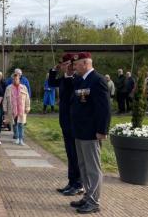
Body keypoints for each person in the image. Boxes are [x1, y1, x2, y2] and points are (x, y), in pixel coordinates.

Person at [69, 52, 111, 214]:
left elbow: (104, 108)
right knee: (84, 166)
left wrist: (102, 130)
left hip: (92, 132)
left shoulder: (97, 80)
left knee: (93, 168)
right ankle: (88, 196)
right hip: (80, 131)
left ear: (86, 63)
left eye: (77, 64)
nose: (74, 66)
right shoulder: (81, 80)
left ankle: (94, 201)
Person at [48, 53, 84, 196]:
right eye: (62, 65)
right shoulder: (64, 79)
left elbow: (80, 97)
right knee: (70, 154)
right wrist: (54, 69)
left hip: (75, 122)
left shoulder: (78, 79)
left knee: (76, 154)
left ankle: (79, 184)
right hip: (65, 122)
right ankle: (71, 182)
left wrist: (71, 72)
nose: (63, 67)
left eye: (65, 64)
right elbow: (51, 83)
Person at [3, 73, 30, 145]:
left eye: (17, 79)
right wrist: (4, 108)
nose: (15, 80)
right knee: (15, 124)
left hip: (21, 109)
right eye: (14, 79)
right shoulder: (8, 88)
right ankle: (17, 138)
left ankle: (21, 139)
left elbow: (27, 99)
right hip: (12, 109)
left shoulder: (23, 87)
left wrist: (27, 107)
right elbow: (5, 99)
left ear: (19, 79)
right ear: (12, 80)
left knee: (21, 124)